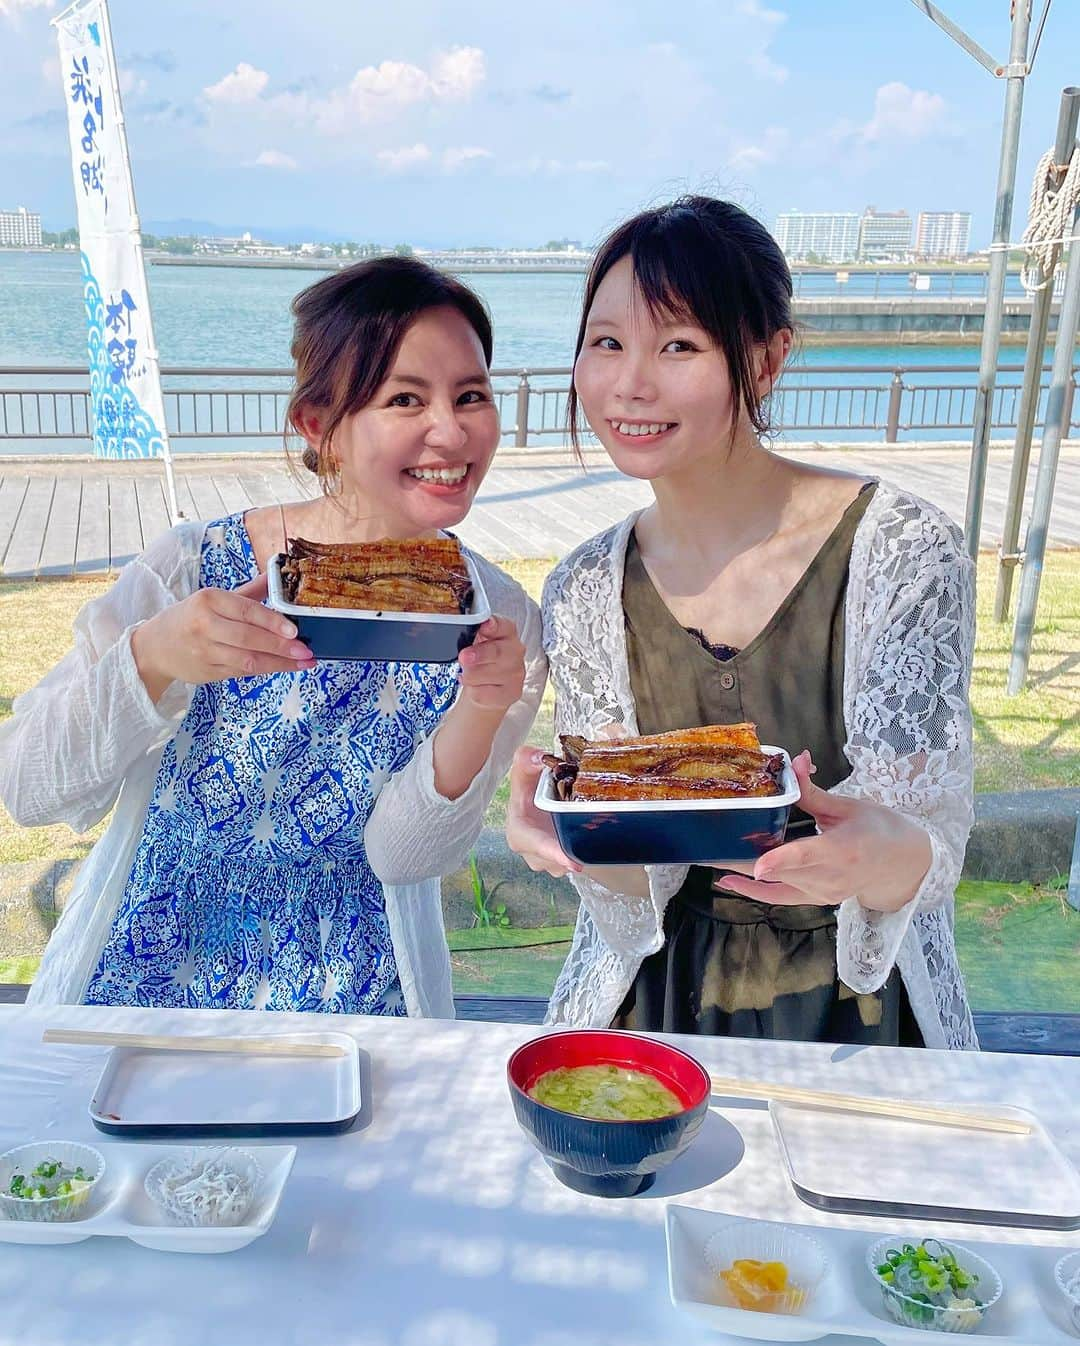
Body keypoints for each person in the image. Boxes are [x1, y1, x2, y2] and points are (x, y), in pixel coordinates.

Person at [1, 256, 546, 1015]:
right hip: (148, 968)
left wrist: (482, 708)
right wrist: (154, 656)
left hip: (362, 989)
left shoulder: (504, 619)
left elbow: (404, 857)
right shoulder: (191, 569)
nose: (450, 432)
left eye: (471, 396)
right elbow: (27, 787)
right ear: (320, 426)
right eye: (404, 399)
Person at [507, 196, 977, 1050]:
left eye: (678, 345)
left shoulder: (901, 550)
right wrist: (569, 834)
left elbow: (933, 847)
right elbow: (626, 869)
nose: (629, 383)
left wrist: (878, 854)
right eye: (607, 342)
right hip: (654, 1003)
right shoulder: (583, 586)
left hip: (858, 1009)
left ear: (766, 360)